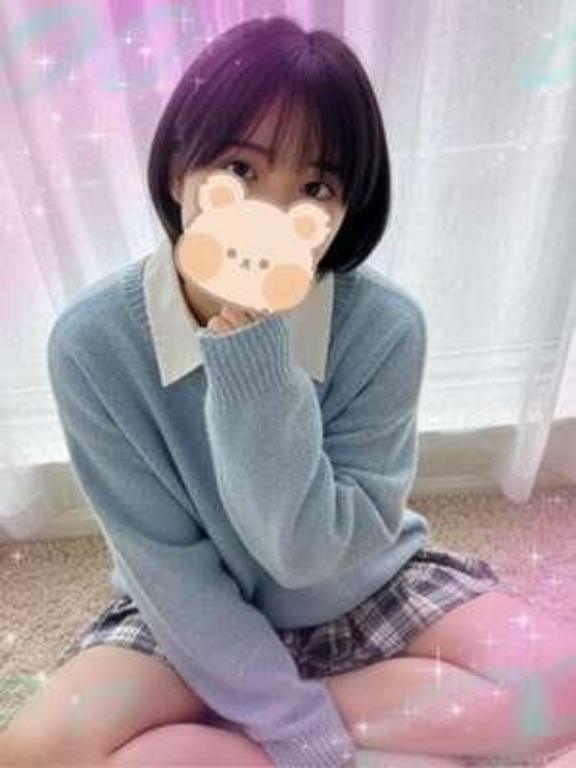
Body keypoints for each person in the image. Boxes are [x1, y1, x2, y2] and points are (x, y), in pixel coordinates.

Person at [3, 15, 576, 768]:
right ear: (178, 171)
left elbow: (311, 555)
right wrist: (288, 719)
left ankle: (241, 725)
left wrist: (258, 367)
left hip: (359, 585)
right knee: (32, 752)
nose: (269, 214)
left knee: (562, 691)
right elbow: (166, 568)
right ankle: (290, 716)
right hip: (193, 617)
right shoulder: (93, 343)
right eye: (240, 170)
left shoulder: (386, 327)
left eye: (314, 187)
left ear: (342, 212)